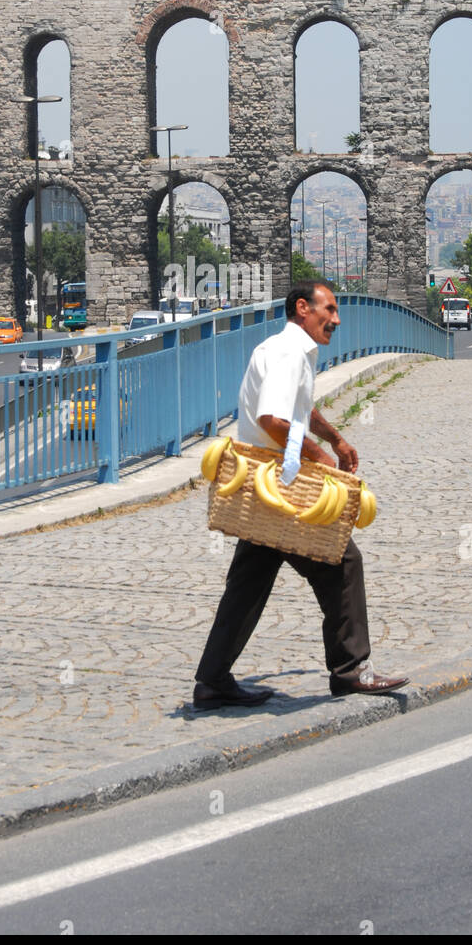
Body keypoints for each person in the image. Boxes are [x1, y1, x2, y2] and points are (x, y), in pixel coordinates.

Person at [193, 281, 408, 709]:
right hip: (285, 485)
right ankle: (351, 671)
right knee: (343, 563)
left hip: (264, 489)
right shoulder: (290, 353)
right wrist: (320, 459)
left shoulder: (282, 348)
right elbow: (273, 419)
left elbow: (299, 408)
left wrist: (336, 439)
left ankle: (212, 681)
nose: (337, 319)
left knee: (247, 585)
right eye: (329, 309)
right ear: (302, 307)